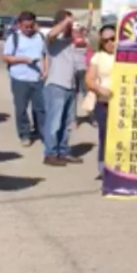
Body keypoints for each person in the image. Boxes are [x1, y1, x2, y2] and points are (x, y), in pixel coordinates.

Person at [43, 10, 82, 166]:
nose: (71, 26)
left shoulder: (72, 42)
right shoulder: (54, 42)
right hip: (56, 85)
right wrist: (66, 22)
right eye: (68, 24)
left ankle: (63, 151)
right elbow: (51, 35)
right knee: (54, 123)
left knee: (67, 124)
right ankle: (50, 154)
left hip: (70, 86)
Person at [2, 11, 47, 147]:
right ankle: (24, 133)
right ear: (19, 25)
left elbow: (45, 55)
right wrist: (23, 60)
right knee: (21, 108)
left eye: (31, 26)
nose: (28, 29)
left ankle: (42, 132)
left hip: (37, 78)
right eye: (25, 26)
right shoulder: (14, 38)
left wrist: (46, 70)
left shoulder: (40, 37)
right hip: (19, 78)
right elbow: (6, 57)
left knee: (40, 108)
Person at [85, 25, 116, 177]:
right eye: (106, 40)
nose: (110, 43)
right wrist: (99, 88)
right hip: (104, 103)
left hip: (124, 104)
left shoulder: (128, 56)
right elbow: (89, 80)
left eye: (113, 39)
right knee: (105, 135)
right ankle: (104, 168)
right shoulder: (98, 57)